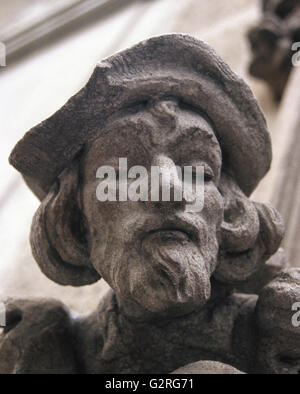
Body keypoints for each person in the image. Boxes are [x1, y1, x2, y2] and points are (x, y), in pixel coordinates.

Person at [2, 34, 299, 374]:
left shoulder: (279, 339)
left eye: (199, 172)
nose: (168, 191)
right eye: (122, 171)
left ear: (229, 212)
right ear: (73, 216)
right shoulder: (51, 350)